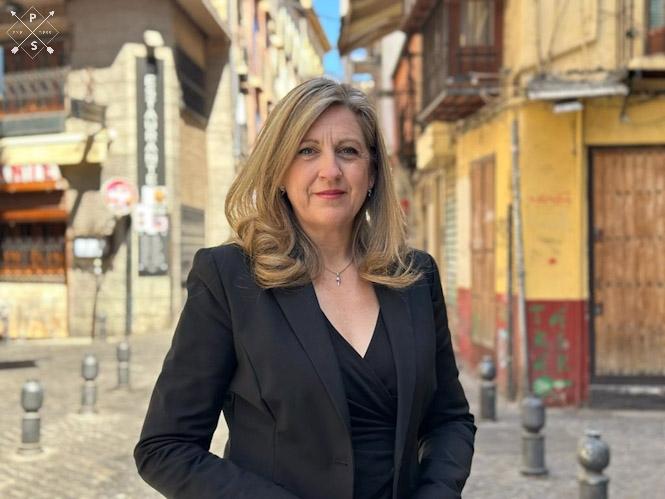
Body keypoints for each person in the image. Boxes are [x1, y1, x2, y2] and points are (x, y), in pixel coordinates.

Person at [134, 77, 475, 499]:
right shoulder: (228, 277)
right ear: (279, 170)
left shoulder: (415, 276)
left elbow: (449, 420)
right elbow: (165, 448)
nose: (330, 170)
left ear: (371, 172)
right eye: (307, 150)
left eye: (348, 151)